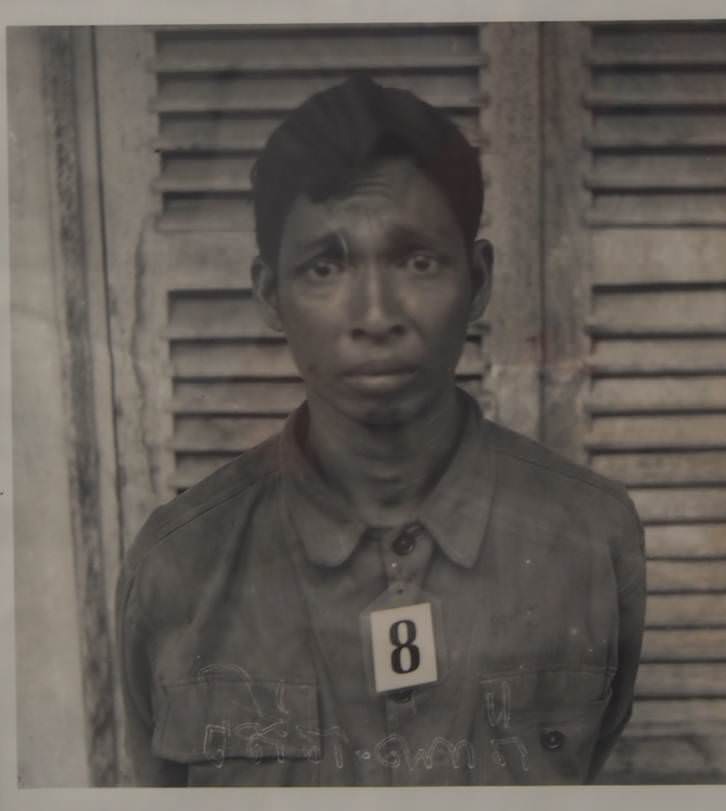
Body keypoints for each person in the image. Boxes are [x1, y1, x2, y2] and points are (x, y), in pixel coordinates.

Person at [117, 75, 646, 787]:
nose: (374, 314)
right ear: (271, 292)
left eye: (417, 260)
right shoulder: (176, 564)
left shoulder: (593, 536)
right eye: (326, 265)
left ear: (478, 279)